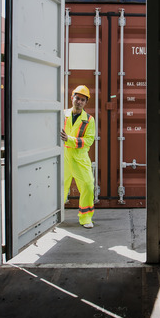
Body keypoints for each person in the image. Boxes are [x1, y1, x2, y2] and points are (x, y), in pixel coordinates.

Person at [60, 85, 96, 228]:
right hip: (63, 156)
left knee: (88, 185)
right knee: (59, 188)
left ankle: (86, 218)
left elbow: (89, 141)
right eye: (77, 98)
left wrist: (69, 139)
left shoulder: (89, 120)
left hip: (79, 158)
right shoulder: (62, 114)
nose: (79, 101)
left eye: (83, 100)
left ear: (86, 103)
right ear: (72, 98)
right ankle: (53, 217)